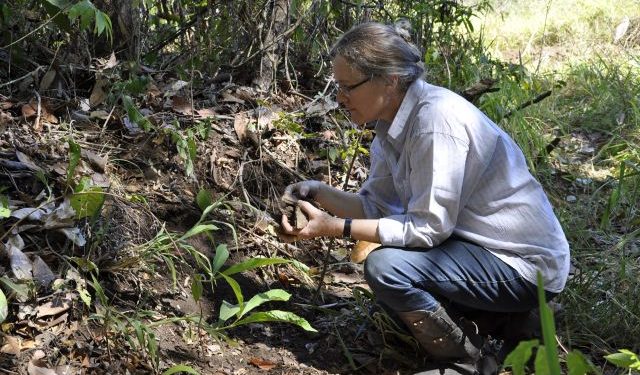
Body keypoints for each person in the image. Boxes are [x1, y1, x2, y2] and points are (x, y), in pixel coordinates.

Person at [279, 21, 570, 375]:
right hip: (478, 249)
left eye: (347, 87)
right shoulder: (390, 126)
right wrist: (318, 193)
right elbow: (377, 208)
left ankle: (468, 362)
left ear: (389, 80)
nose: (339, 98)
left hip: (522, 264)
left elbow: (427, 229)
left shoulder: (435, 122)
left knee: (387, 268)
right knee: (391, 260)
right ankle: (507, 323)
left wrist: (336, 227)